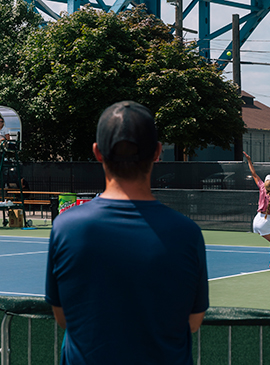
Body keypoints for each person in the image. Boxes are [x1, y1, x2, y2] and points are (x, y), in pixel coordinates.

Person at [45, 101, 209, 365]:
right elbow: (193, 321)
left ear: (98, 153)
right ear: (157, 152)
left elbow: (62, 317)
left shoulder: (66, 227)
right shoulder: (187, 233)